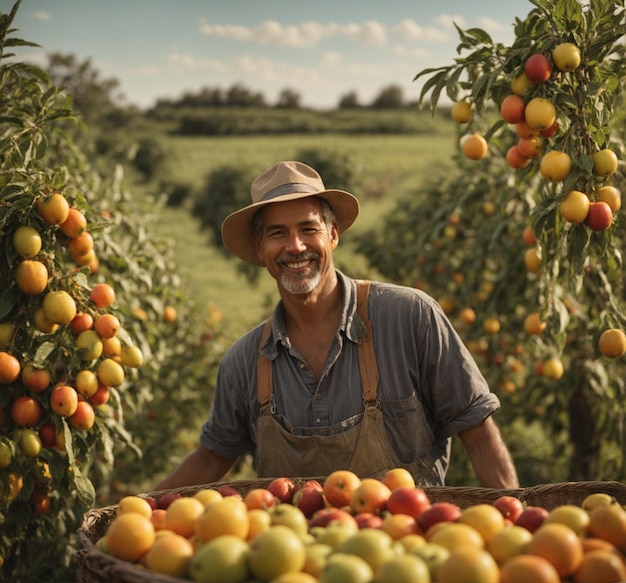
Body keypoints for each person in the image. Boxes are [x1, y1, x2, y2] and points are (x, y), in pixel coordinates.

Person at [155, 161, 519, 490]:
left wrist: (513, 520)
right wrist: (137, 508)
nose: (295, 247)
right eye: (278, 233)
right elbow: (211, 457)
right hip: (290, 560)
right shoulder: (245, 361)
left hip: (407, 554)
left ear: (332, 234)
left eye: (308, 229)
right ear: (260, 246)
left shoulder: (409, 318)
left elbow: (478, 432)